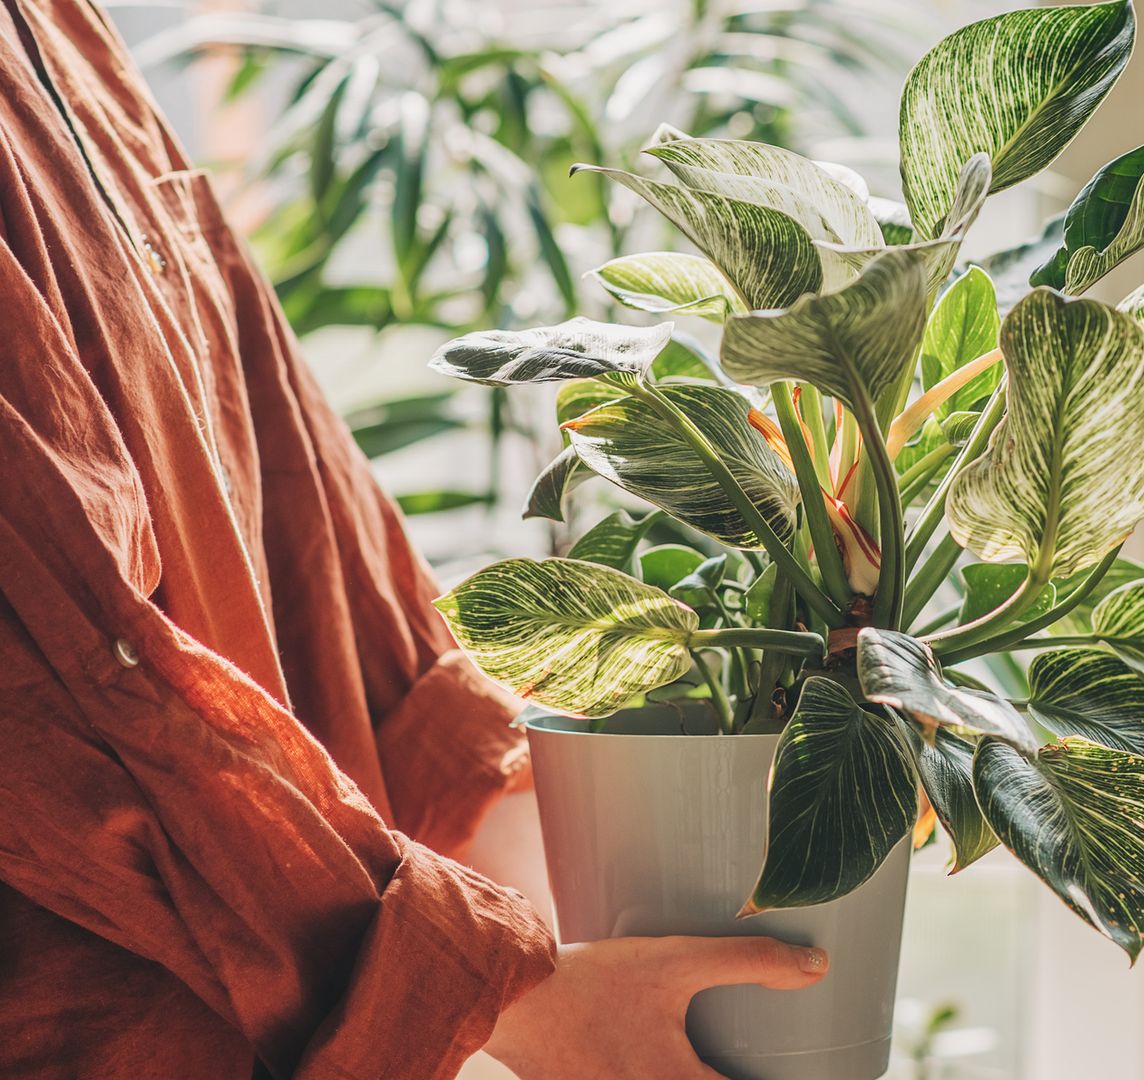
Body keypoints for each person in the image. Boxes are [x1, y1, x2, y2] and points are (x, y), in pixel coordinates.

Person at [0, 1, 824, 1076]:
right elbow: (57, 673)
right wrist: (507, 987)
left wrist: (533, 852)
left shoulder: (63, 28)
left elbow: (292, 485)